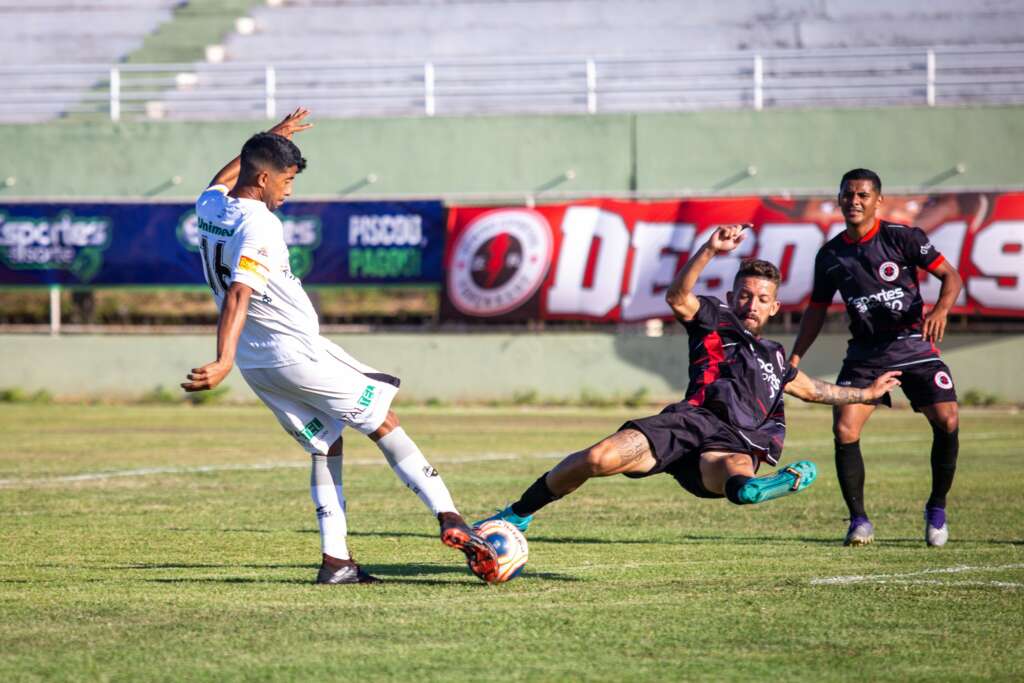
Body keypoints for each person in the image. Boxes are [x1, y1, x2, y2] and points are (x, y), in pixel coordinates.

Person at [181, 108, 499, 584]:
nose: (289, 190)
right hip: (295, 353)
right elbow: (240, 294)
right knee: (383, 420)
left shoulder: (210, 208)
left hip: (258, 363)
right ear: (264, 178)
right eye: (286, 180)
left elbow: (221, 178)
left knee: (326, 443)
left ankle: (337, 561)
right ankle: (449, 516)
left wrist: (271, 137)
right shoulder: (261, 225)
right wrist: (221, 359)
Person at [479, 225, 900, 534]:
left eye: (762, 299)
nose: (752, 304)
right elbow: (678, 297)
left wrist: (868, 392)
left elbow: (814, 390)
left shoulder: (776, 357)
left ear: (774, 308)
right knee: (597, 458)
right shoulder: (715, 318)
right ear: (734, 295)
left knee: (736, 474)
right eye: (746, 295)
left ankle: (755, 490)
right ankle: (517, 513)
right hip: (687, 422)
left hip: (737, 440)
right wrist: (708, 250)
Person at [789, 168, 963, 547]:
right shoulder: (831, 255)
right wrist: (796, 358)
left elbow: (951, 276)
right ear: (839, 199)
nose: (854, 201)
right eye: (848, 194)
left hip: (914, 346)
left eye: (863, 195)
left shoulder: (903, 239)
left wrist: (941, 311)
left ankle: (936, 507)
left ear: (877, 200)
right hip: (866, 355)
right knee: (845, 430)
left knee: (947, 419)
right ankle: (859, 521)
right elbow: (816, 310)